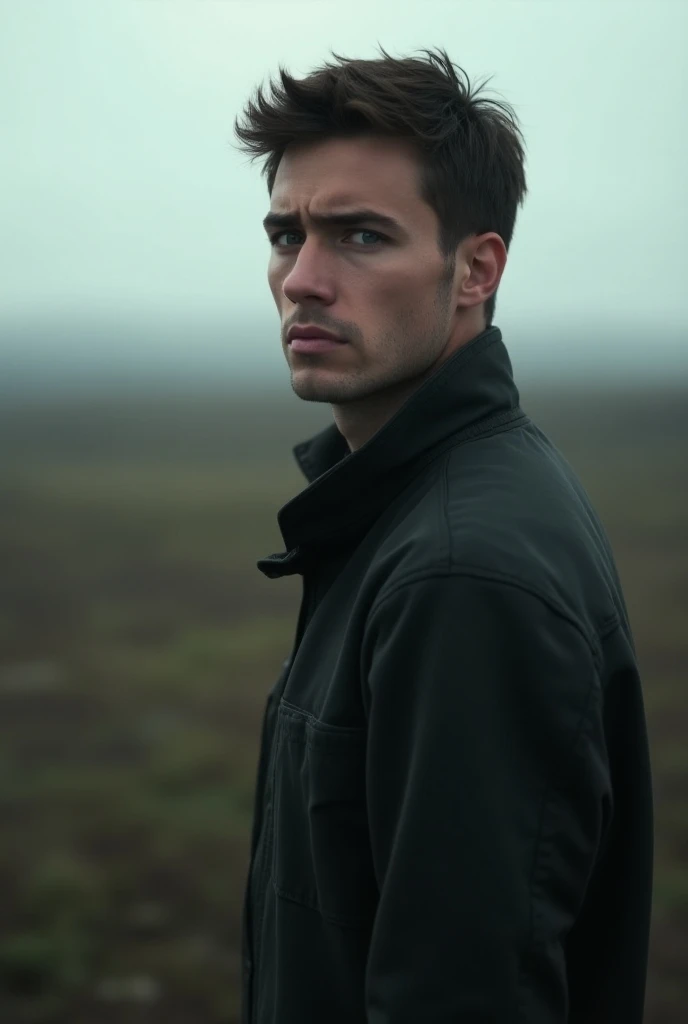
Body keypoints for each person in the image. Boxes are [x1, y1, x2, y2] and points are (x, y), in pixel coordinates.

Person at [232, 45, 653, 1024]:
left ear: (476, 267)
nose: (302, 279)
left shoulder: (462, 572)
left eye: (360, 237)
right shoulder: (403, 511)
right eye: (284, 233)